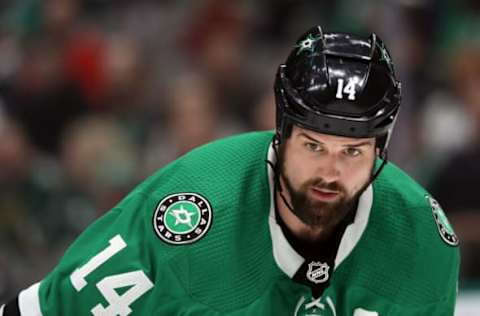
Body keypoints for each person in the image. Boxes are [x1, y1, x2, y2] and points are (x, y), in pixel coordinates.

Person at [0, 26, 459, 316]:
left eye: (352, 152)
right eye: (314, 145)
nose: (330, 172)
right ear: (281, 132)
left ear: (381, 151)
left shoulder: (421, 245)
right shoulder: (192, 215)